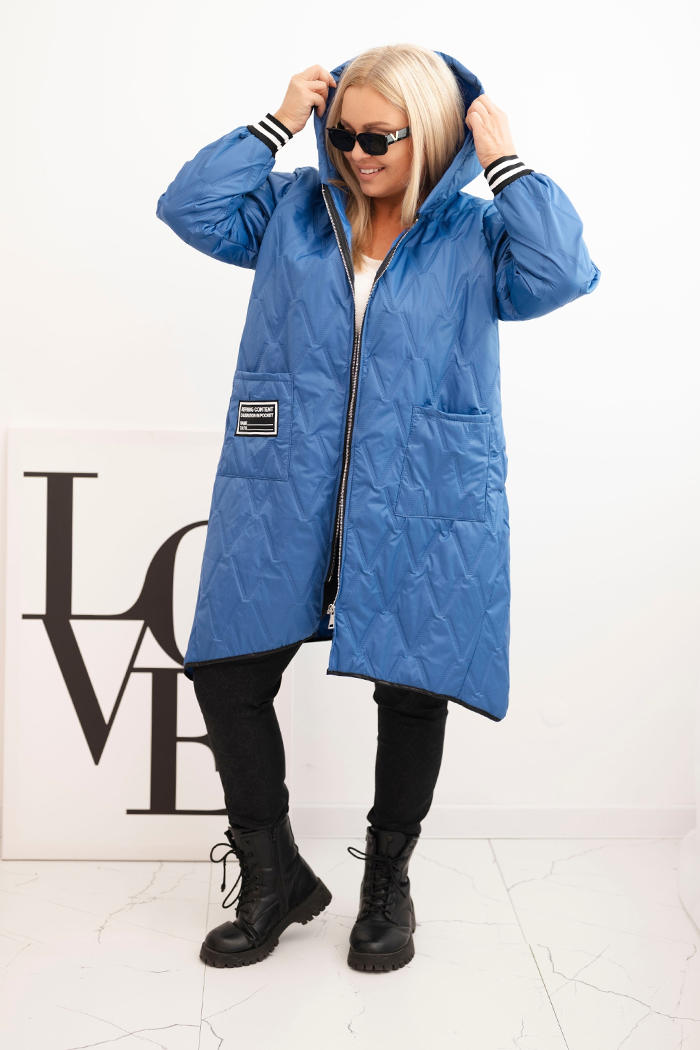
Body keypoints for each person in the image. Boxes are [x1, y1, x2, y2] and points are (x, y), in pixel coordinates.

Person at [157, 43, 599, 973]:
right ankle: (273, 875)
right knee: (226, 670)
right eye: (343, 135)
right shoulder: (291, 212)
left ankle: (387, 883)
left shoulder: (478, 236)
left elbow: (564, 271)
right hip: (283, 480)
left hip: (423, 489)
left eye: (378, 138)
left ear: (427, 133)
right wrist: (278, 122)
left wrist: (505, 160)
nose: (356, 153)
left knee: (413, 684)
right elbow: (188, 207)